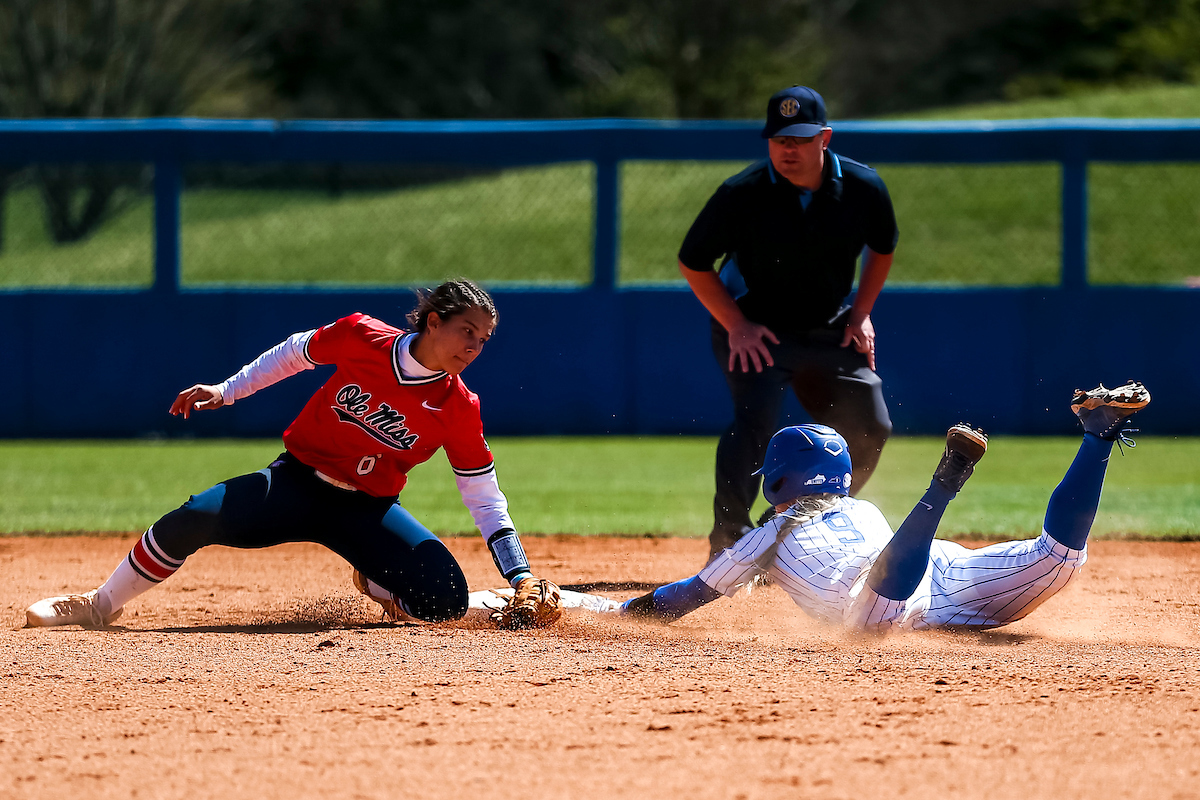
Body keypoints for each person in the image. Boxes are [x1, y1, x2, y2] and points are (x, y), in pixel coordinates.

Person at [26, 279, 558, 629]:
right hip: (295, 485)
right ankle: (97, 606)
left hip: (365, 511)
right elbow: (295, 353)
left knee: (446, 601)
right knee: (190, 519)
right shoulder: (361, 337)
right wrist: (227, 390)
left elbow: (484, 496)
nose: (474, 346)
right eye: (467, 330)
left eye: (484, 339)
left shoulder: (459, 406)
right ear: (433, 321)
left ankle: (375, 580)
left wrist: (519, 576)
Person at [617, 380, 1150, 633]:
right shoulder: (860, 508)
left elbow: (685, 597)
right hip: (937, 570)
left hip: (883, 592)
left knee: (866, 625)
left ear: (778, 482)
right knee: (1055, 559)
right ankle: (1098, 437)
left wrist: (611, 611)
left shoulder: (769, 536)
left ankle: (942, 486)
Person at [677, 85, 899, 560]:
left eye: (799, 139)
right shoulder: (743, 193)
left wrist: (862, 314)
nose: (788, 150)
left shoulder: (863, 187)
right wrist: (735, 323)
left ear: (825, 138)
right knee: (753, 419)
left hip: (829, 325)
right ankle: (731, 539)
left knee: (871, 423)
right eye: (779, 140)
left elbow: (883, 248)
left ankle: (791, 527)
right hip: (758, 328)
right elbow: (693, 261)